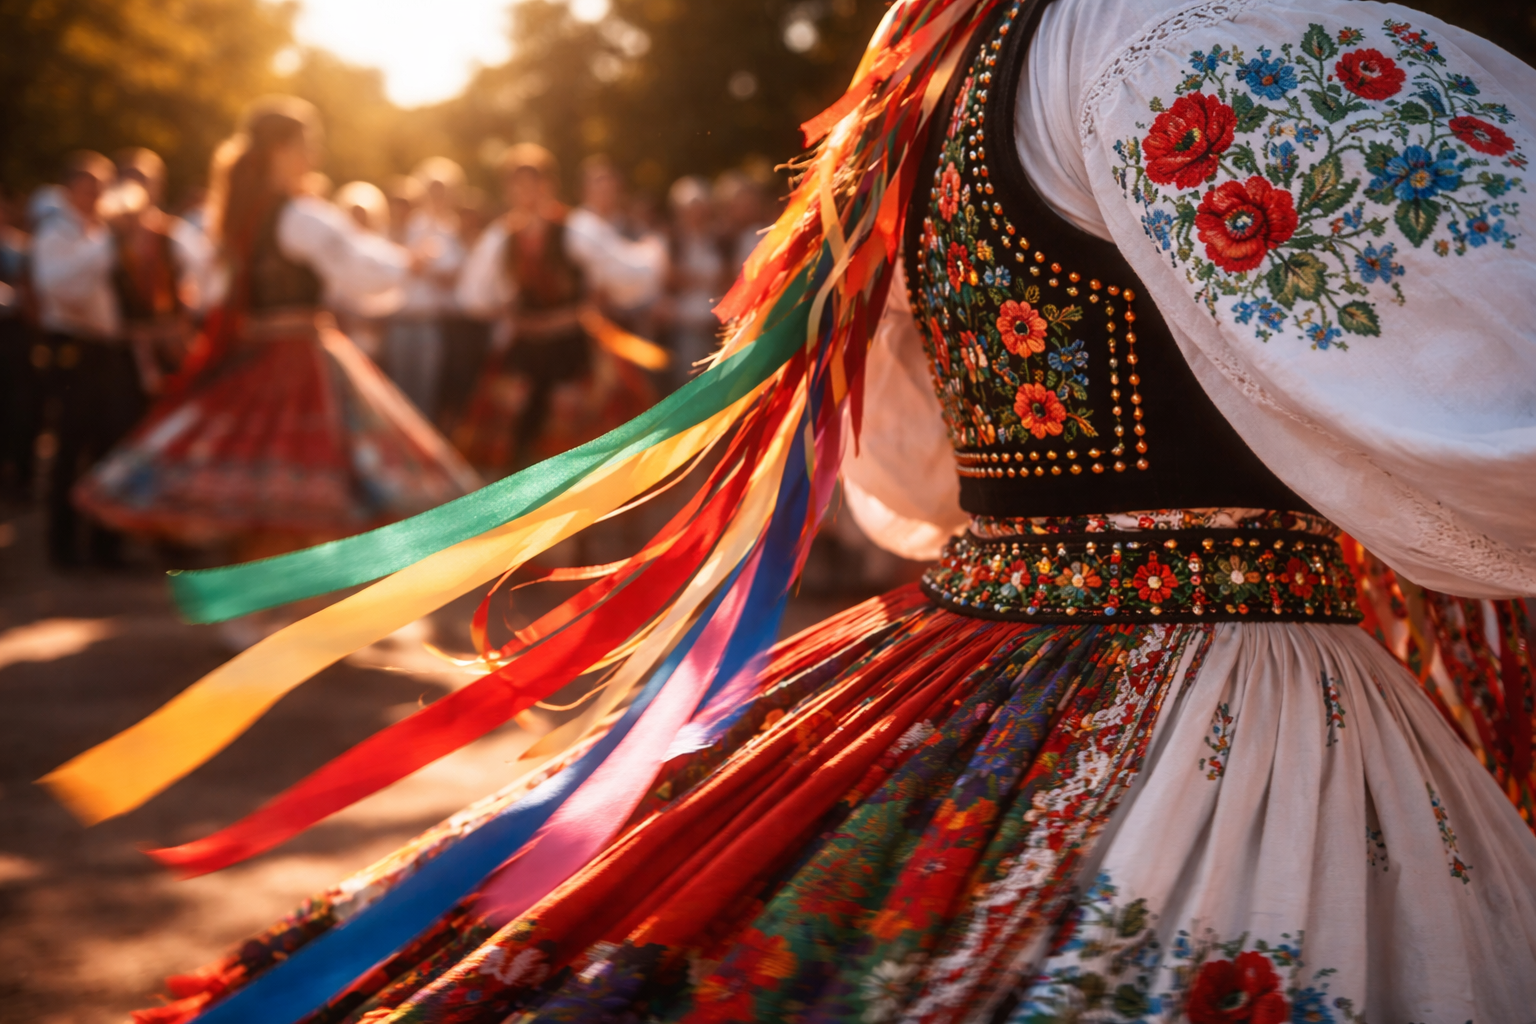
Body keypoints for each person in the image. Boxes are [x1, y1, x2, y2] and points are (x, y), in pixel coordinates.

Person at [78, 3, 1536, 1022]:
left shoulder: (966, 51)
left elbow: (907, 464)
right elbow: (1492, 406)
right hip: (1224, 672)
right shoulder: (1209, 30)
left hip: (996, 639)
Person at [73, 96, 478, 558]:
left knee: (261, 472)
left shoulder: (241, 215)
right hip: (299, 358)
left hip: (255, 357)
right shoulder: (296, 215)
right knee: (317, 467)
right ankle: (284, 594)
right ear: (283, 149)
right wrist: (411, 262)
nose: (314, 156)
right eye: (308, 145)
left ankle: (265, 593)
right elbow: (356, 268)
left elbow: (212, 289)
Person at [453, 144, 660, 473]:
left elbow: (626, 274)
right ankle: (522, 511)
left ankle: (577, 514)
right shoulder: (503, 236)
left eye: (532, 183)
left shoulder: (576, 227)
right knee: (516, 432)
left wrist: (650, 252)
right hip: (525, 348)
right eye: (516, 184)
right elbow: (472, 296)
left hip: (570, 348)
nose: (524, 192)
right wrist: (507, 307)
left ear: (548, 185)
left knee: (574, 436)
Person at [30, 150, 145, 567]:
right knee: (70, 449)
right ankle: (63, 548)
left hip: (108, 351)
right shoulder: (56, 233)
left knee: (109, 449)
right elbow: (61, 290)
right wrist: (108, 247)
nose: (95, 196)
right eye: (88, 187)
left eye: (100, 188)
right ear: (70, 190)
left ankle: (105, 548)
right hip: (73, 349)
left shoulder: (104, 234)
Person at [108, 147, 214, 395]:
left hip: (168, 348)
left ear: (157, 186)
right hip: (115, 351)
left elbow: (204, 278)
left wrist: (181, 321)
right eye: (128, 179)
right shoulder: (102, 236)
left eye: (143, 180)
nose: (135, 188)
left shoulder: (173, 233)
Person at [384, 157, 467, 421]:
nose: (437, 196)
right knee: (398, 392)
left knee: (426, 394)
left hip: (430, 323)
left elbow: (455, 274)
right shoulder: (408, 224)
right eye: (432, 189)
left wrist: (424, 266)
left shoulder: (451, 229)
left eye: (442, 190)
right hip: (399, 321)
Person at [660, 175, 729, 390]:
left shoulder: (720, 239)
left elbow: (728, 278)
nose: (695, 214)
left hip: (717, 324)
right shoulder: (672, 242)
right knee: (687, 384)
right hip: (686, 325)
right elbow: (670, 279)